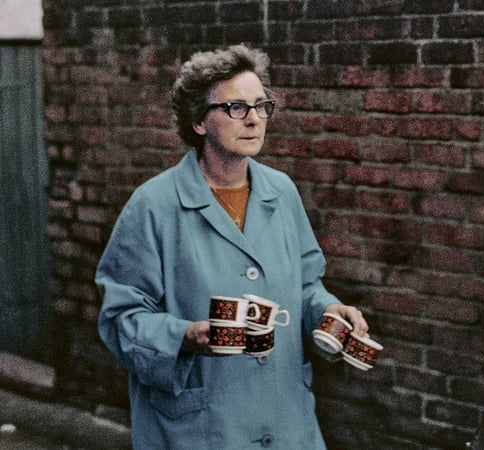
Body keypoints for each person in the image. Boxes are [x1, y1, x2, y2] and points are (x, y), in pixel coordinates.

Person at [96, 44, 369, 449]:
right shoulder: (153, 205)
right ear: (198, 121)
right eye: (236, 108)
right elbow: (121, 318)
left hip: (287, 422)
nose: (254, 119)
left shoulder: (281, 192)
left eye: (261, 106)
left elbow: (305, 286)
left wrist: (329, 311)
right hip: (202, 430)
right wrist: (184, 336)